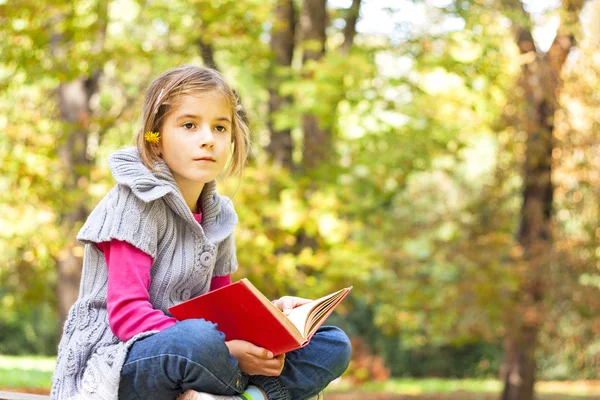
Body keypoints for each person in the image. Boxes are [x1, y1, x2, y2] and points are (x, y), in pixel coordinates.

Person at [51, 64, 352, 400]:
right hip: (123, 358)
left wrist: (273, 319)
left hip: (205, 354)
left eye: (220, 127)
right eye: (190, 125)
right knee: (198, 340)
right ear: (157, 138)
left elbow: (221, 309)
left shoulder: (220, 215)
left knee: (331, 344)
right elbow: (127, 317)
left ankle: (252, 396)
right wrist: (225, 348)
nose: (208, 139)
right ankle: (238, 393)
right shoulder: (135, 201)